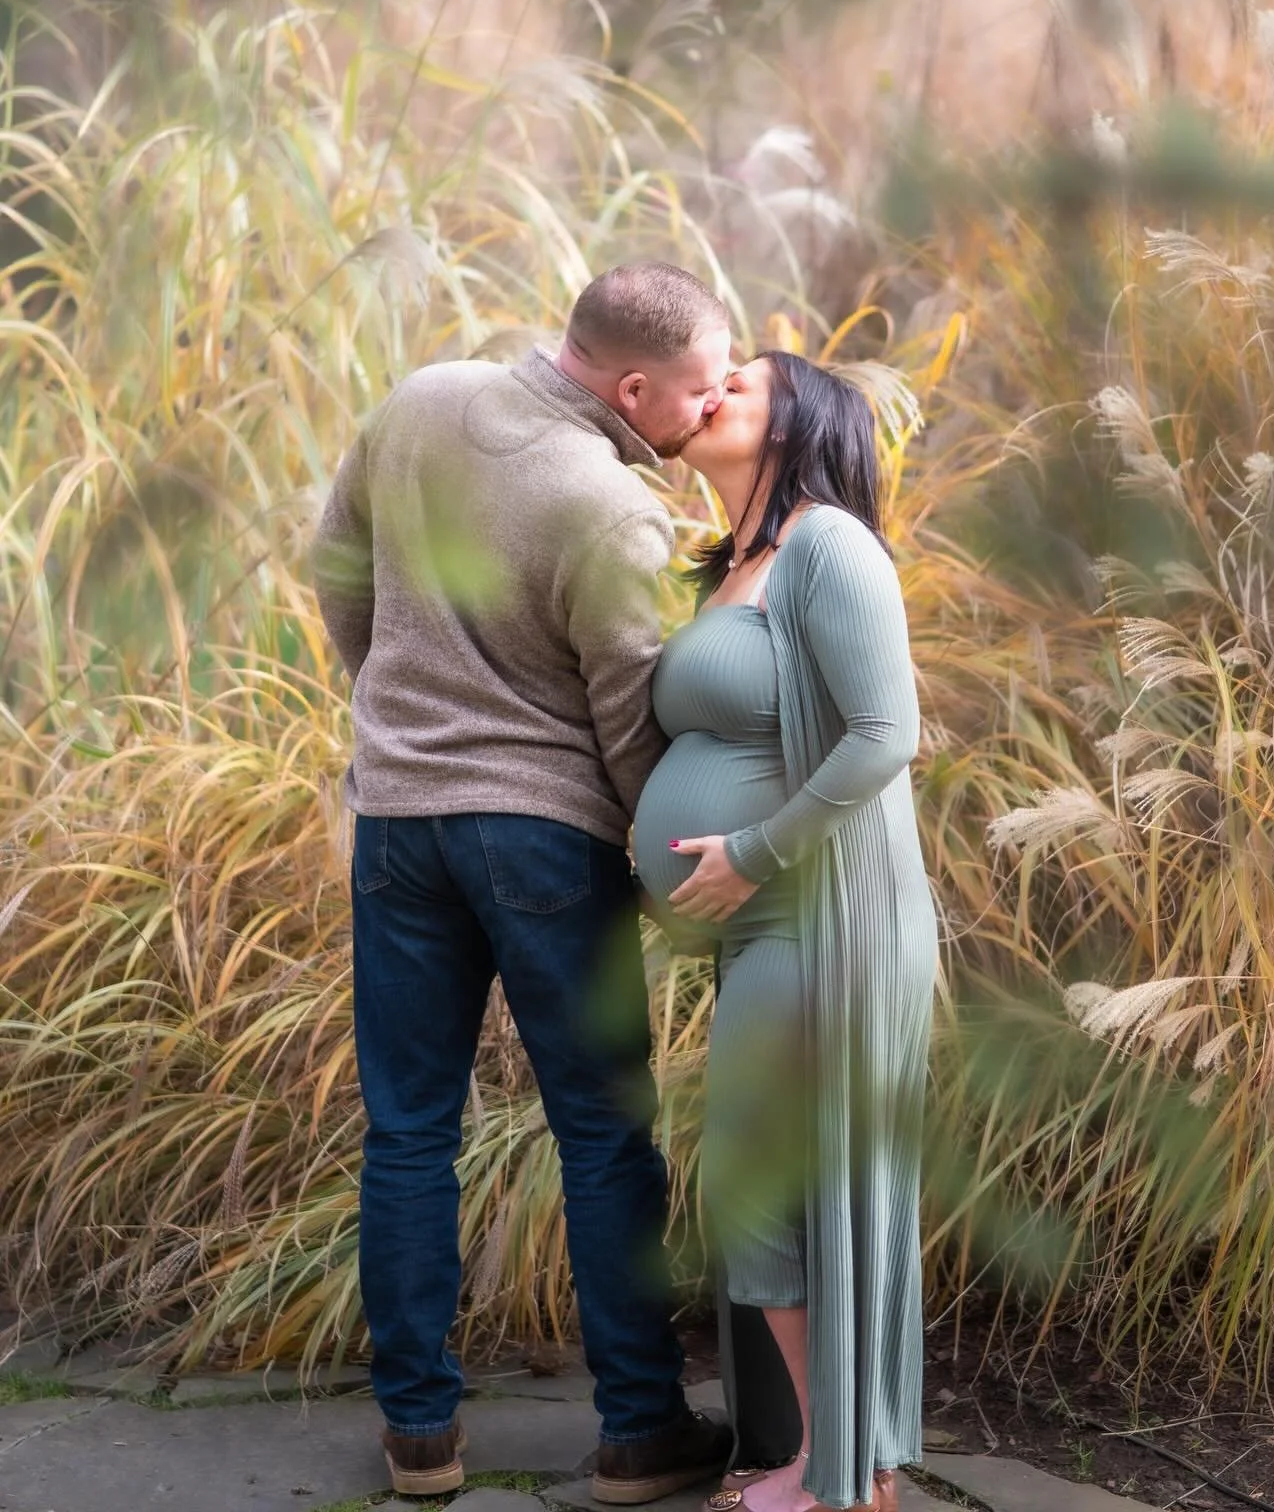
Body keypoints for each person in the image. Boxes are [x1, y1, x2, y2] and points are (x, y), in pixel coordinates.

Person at [312, 263, 735, 1503]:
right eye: (702, 392)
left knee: (407, 1130)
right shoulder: (609, 505)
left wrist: (392, 706)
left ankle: (420, 1440)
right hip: (543, 837)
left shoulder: (422, 400)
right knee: (602, 1134)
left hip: (396, 822)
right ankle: (640, 1431)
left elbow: (337, 564)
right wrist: (665, 871)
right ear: (636, 385)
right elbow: (625, 722)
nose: (708, 415)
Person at [631, 352, 939, 1512]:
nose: (713, 392)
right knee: (769, 1192)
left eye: (745, 385)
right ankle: (840, 1460)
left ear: (798, 424)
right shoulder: (734, 567)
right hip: (768, 931)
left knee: (790, 1189)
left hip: (829, 917)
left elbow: (883, 734)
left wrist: (750, 854)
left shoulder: (827, 544)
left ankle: (845, 1476)